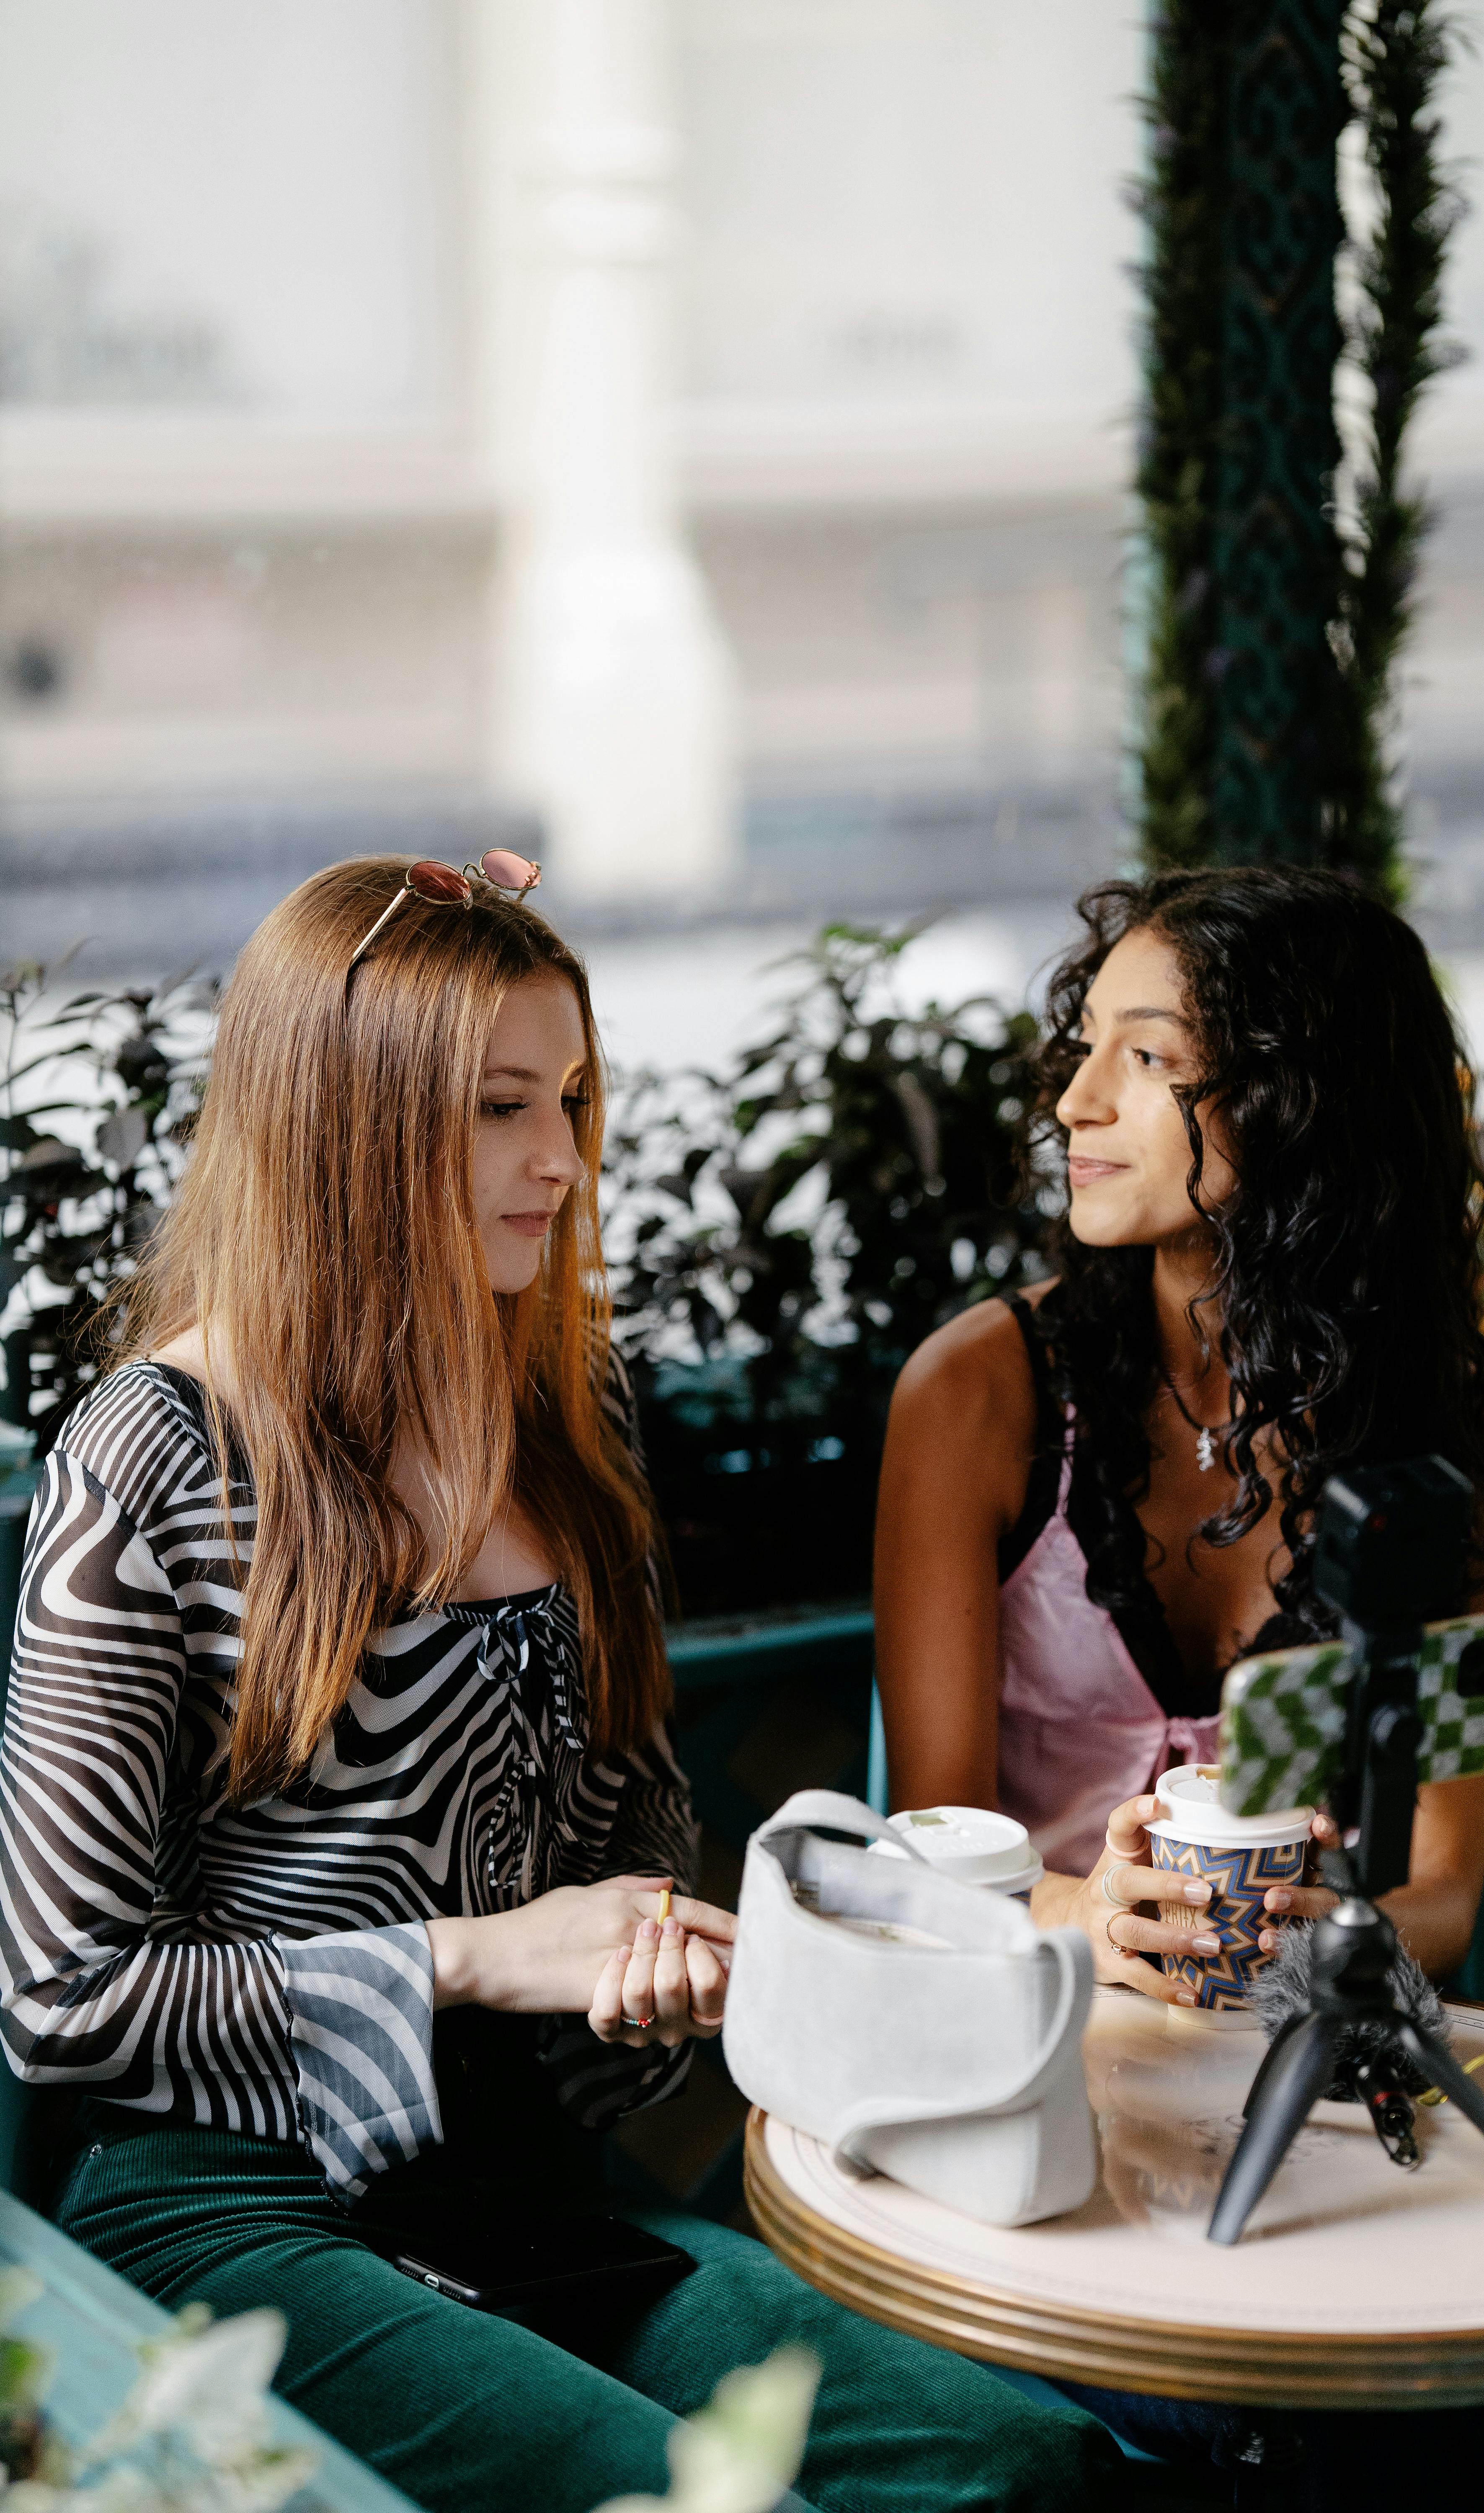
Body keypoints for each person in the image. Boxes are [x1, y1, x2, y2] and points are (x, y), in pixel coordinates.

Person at [1, 856, 1128, 2513]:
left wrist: (644, 1969)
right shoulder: (153, 1461)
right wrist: (472, 1960)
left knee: (1022, 2466)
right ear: (349, 1126)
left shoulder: (559, 1435)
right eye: (500, 1109)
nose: (563, 1158)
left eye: (576, 1098)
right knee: (684, 2498)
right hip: (224, 2212)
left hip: (520, 2185)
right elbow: (62, 1999)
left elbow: (621, 1870)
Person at [874, 866, 1484, 2507]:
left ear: (1296, 1095)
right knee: (1232, 2434)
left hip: (1335, 2083)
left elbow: (1445, 1890)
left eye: (1144, 1058)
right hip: (1041, 2076)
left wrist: (1325, 1919)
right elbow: (929, 1849)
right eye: (1079, 1046)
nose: (1075, 1100)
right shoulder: (976, 1393)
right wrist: (1086, 1920)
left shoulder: (1483, 1450)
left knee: (1424, 2400)